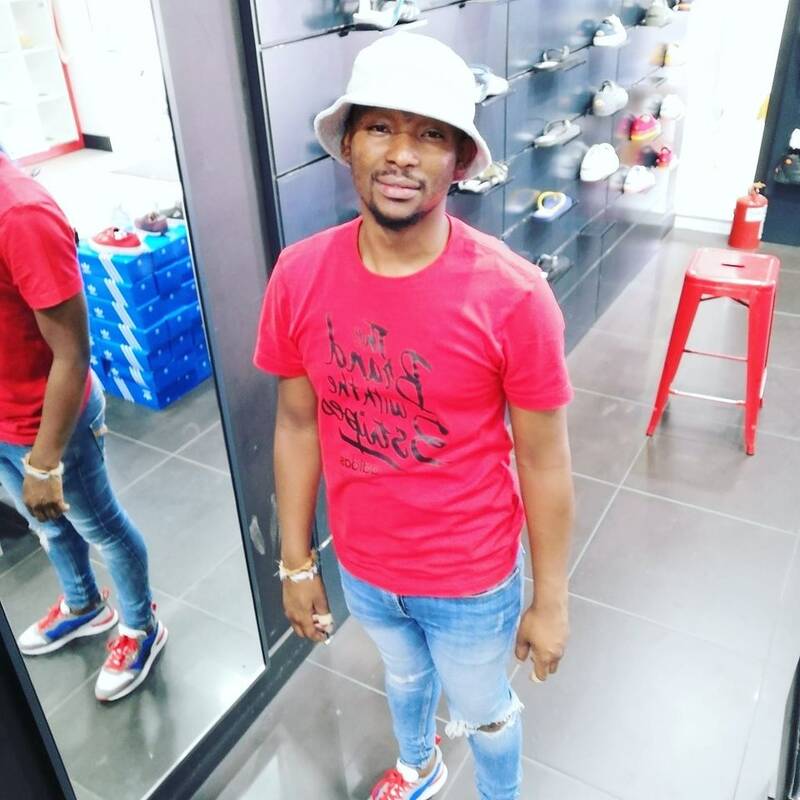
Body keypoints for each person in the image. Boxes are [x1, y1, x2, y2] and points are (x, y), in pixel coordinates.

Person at [254, 34, 574, 800]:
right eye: (380, 127)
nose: (401, 154)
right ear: (348, 143)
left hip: (471, 580)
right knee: (401, 675)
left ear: (459, 160)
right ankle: (420, 765)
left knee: (485, 710)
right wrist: (297, 562)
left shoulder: (514, 295)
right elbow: (296, 424)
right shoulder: (299, 275)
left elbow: (543, 459)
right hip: (364, 564)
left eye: (430, 134)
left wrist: (552, 601)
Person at [0, 148, 167, 703]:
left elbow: (72, 355)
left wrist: (44, 463)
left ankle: (142, 627)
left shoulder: (21, 214)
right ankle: (84, 605)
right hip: (4, 421)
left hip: (48, 423)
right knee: (48, 526)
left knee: (102, 528)